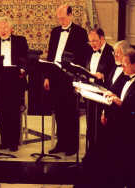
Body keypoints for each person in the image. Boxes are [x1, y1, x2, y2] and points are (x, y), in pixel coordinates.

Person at [83, 49, 135, 188]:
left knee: (133, 165)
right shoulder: (126, 76)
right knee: (120, 163)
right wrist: (109, 100)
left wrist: (119, 102)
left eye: (125, 64)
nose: (122, 67)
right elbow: (115, 92)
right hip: (122, 127)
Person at [44, 5, 89, 156]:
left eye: (63, 17)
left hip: (70, 76)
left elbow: (82, 57)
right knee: (59, 111)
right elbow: (51, 55)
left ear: (70, 15)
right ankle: (61, 143)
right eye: (59, 18)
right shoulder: (56, 32)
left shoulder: (81, 33)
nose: (61, 20)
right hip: (55, 74)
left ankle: (72, 145)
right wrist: (47, 76)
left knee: (71, 112)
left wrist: (77, 78)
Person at [0, 16, 28, 151]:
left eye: (5, 27)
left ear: (11, 28)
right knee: (2, 110)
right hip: (0, 78)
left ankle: (13, 141)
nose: (2, 30)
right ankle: (4, 140)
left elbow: (26, 59)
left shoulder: (20, 41)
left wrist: (23, 69)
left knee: (14, 110)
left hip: (15, 76)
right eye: (0, 28)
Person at [83, 27, 114, 154]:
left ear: (102, 38)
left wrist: (103, 76)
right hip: (90, 92)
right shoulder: (90, 50)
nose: (92, 44)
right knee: (90, 124)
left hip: (103, 93)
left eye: (94, 41)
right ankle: (91, 151)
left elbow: (114, 74)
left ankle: (100, 153)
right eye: (90, 41)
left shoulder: (111, 51)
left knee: (100, 126)